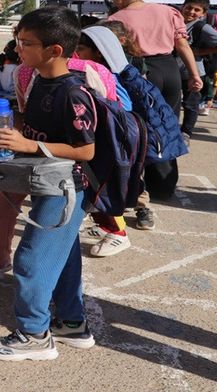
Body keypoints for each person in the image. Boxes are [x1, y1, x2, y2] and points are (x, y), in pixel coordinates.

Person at [0, 6, 96, 362]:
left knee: (31, 259)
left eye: (26, 43)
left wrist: (31, 147)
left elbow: (87, 149)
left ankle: (34, 335)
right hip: (49, 182)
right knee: (62, 256)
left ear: (54, 50)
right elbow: (36, 128)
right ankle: (71, 322)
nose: (17, 50)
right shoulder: (39, 80)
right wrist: (1, 115)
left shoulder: (74, 92)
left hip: (66, 188)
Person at [105, 0, 202, 230]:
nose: (114, 2)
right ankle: (164, 186)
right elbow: (182, 45)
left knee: (140, 133)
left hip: (140, 73)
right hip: (170, 70)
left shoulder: (116, 18)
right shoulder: (168, 11)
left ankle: (137, 191)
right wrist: (194, 75)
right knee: (167, 127)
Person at [75, 23, 136, 258]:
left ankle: (118, 233)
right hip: (101, 136)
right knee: (91, 185)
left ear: (98, 52)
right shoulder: (97, 69)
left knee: (100, 186)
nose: (76, 54)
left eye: (81, 48)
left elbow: (124, 108)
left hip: (110, 139)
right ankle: (104, 224)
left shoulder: (104, 73)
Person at [179, 0, 217, 141]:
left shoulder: (201, 27)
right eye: (188, 7)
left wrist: (201, 52)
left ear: (203, 14)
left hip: (192, 72)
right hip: (172, 69)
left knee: (190, 103)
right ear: (182, 7)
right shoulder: (174, 22)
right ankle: (171, 131)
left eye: (196, 10)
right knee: (170, 102)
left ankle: (185, 133)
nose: (191, 12)